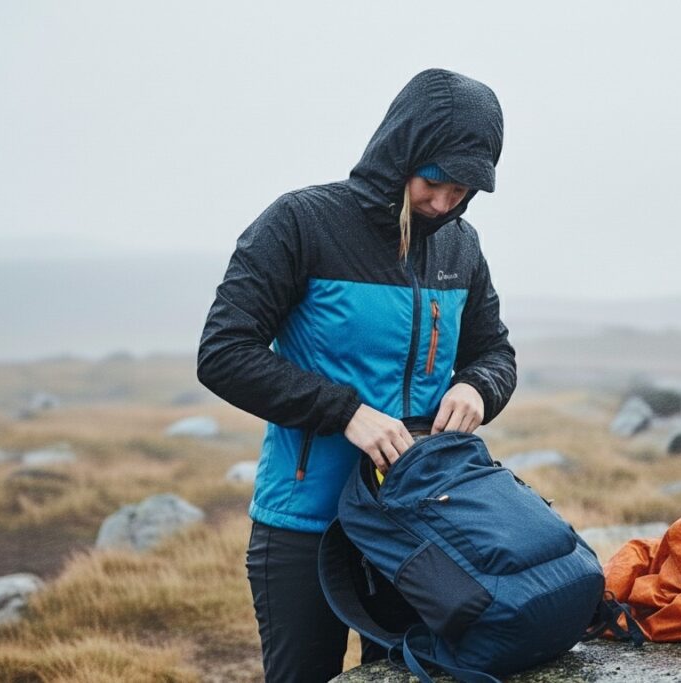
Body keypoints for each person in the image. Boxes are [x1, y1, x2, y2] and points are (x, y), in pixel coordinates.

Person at [196, 68, 517, 682]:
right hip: (305, 521)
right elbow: (223, 352)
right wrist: (345, 412)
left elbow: (494, 353)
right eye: (435, 180)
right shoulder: (301, 223)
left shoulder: (461, 248)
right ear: (402, 151)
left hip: (416, 524)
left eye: (464, 189)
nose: (445, 202)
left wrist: (478, 387)